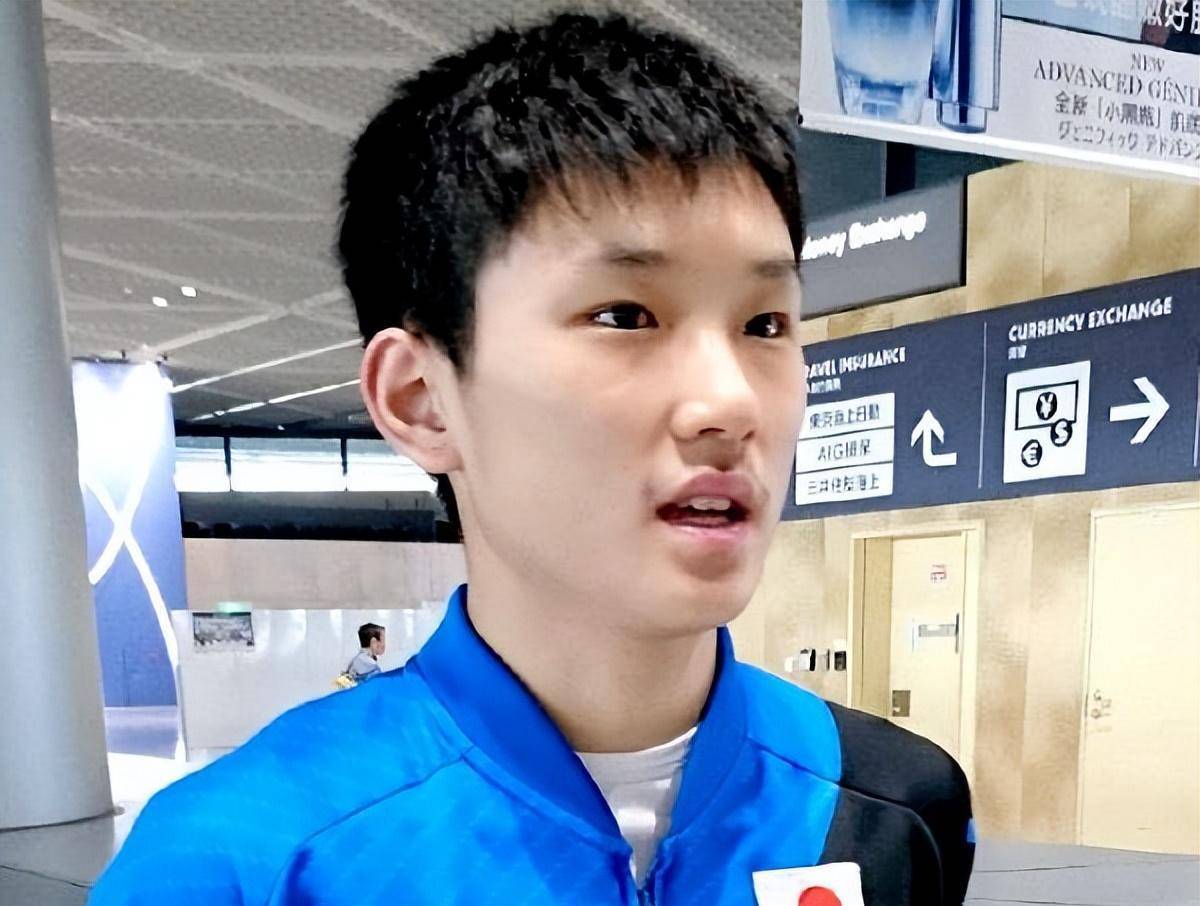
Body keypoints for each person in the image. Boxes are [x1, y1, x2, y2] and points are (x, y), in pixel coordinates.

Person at [89, 12, 974, 905]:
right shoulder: (243, 859)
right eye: (626, 316)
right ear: (421, 399)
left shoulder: (893, 804)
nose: (731, 402)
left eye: (765, 324)